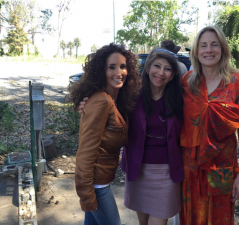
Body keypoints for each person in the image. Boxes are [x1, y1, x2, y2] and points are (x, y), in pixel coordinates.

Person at [79, 48, 184, 225]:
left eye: (167, 69)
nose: (161, 72)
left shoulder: (180, 98)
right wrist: (86, 105)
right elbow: (107, 107)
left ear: (173, 74)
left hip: (167, 173)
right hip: (139, 170)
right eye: (156, 66)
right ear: (148, 68)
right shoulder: (132, 96)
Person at [180, 26, 239, 225]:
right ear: (196, 51)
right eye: (203, 45)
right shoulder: (186, 82)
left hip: (222, 166)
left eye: (214, 44)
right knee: (191, 217)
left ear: (223, 49)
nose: (208, 50)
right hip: (190, 167)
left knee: (219, 219)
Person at [71, 43, 141, 225]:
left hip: (101, 181)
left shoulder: (115, 101)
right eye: (112, 67)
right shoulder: (101, 101)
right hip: (96, 186)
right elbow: (85, 153)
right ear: (101, 71)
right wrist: (86, 195)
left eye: (123, 66)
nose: (119, 72)